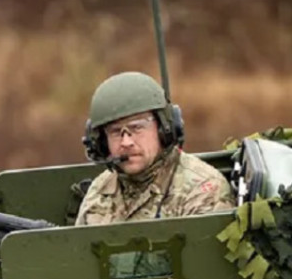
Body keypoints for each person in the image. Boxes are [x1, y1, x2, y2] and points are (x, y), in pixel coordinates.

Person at [75, 71, 235, 226]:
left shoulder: (201, 189)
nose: (126, 142)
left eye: (137, 128)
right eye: (115, 132)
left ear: (163, 130)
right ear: (102, 142)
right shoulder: (100, 190)